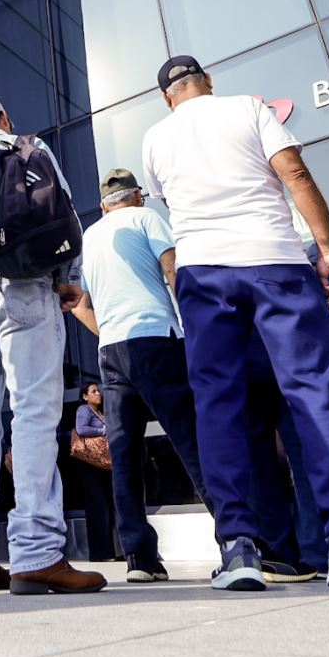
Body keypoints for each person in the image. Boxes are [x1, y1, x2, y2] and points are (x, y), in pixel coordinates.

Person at [140, 56, 329, 594]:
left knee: (216, 405)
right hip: (275, 261)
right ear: (207, 82)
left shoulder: (155, 138)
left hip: (202, 270)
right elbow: (296, 174)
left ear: (167, 96)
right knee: (311, 396)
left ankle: (239, 549)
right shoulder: (248, 109)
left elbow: (171, 201)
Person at [0, 92, 105, 597]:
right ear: (5, 118)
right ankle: (37, 553)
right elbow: (61, 212)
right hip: (27, 290)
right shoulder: (30, 149)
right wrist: (68, 279)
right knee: (32, 412)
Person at [69, 169, 213, 583]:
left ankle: (140, 559)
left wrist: (110, 330)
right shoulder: (148, 219)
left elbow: (79, 304)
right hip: (156, 340)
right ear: (138, 198)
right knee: (190, 441)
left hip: (111, 352)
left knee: (125, 457)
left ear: (103, 204)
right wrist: (193, 327)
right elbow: (172, 271)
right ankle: (237, 538)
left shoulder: (89, 237)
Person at [70, 382, 117, 562]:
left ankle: (112, 550)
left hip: (101, 464)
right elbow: (81, 429)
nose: (99, 393)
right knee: (98, 507)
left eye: (99, 390)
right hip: (89, 464)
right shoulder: (84, 410)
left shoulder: (100, 412)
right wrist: (102, 430)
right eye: (94, 391)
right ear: (84, 396)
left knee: (107, 506)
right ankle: (100, 553)